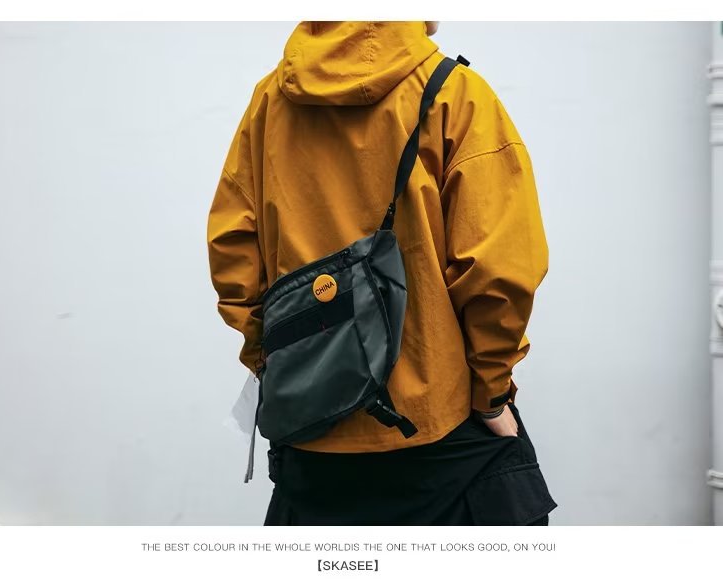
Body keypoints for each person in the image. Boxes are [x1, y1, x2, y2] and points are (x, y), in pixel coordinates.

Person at [207, 21, 557, 525]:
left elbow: (232, 251)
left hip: (313, 436)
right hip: (439, 432)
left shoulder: (270, 102)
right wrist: (491, 395)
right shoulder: (455, 95)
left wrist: (276, 364)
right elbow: (499, 271)